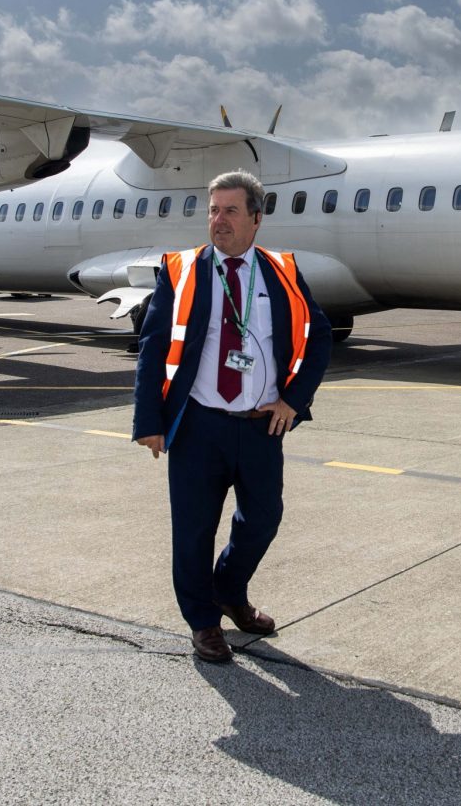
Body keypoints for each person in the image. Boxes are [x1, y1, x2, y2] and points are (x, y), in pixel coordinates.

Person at [132, 171, 332, 663]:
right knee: (194, 529)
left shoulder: (281, 270)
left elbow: (320, 335)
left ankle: (229, 589)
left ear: (257, 219)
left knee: (263, 518)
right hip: (199, 423)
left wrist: (293, 400)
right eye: (213, 210)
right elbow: (153, 347)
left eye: (231, 211)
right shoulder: (180, 271)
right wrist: (150, 421)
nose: (218, 221)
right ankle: (203, 622)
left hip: (261, 424)